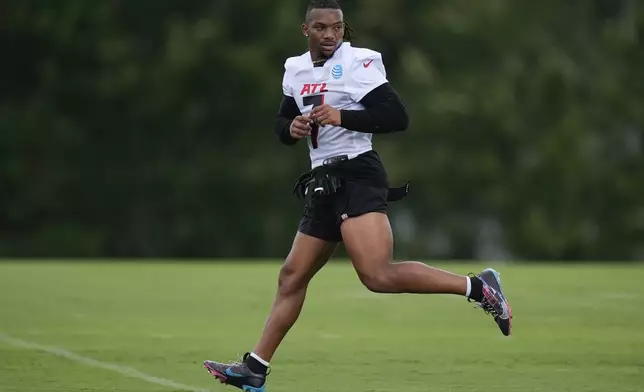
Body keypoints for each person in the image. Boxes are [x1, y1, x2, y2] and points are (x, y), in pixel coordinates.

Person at [203, 1, 512, 391]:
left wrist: (343, 116)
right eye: (321, 28)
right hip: (323, 180)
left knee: (377, 275)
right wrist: (292, 127)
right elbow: (283, 123)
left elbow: (397, 117)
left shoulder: (359, 63)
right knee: (292, 276)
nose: (330, 35)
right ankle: (255, 368)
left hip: (357, 174)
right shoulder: (295, 69)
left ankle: (479, 288)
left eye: (337, 27)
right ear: (306, 31)